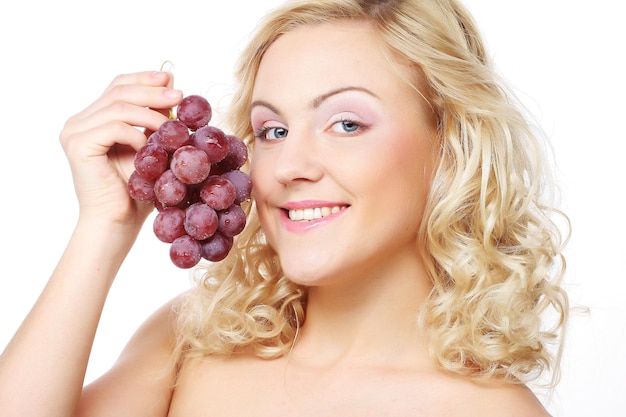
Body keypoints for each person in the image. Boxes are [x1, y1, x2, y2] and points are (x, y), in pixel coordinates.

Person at [0, 0, 569, 415]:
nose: (288, 165)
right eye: (271, 130)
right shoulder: (194, 339)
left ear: (451, 150)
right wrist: (104, 224)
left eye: (346, 123)